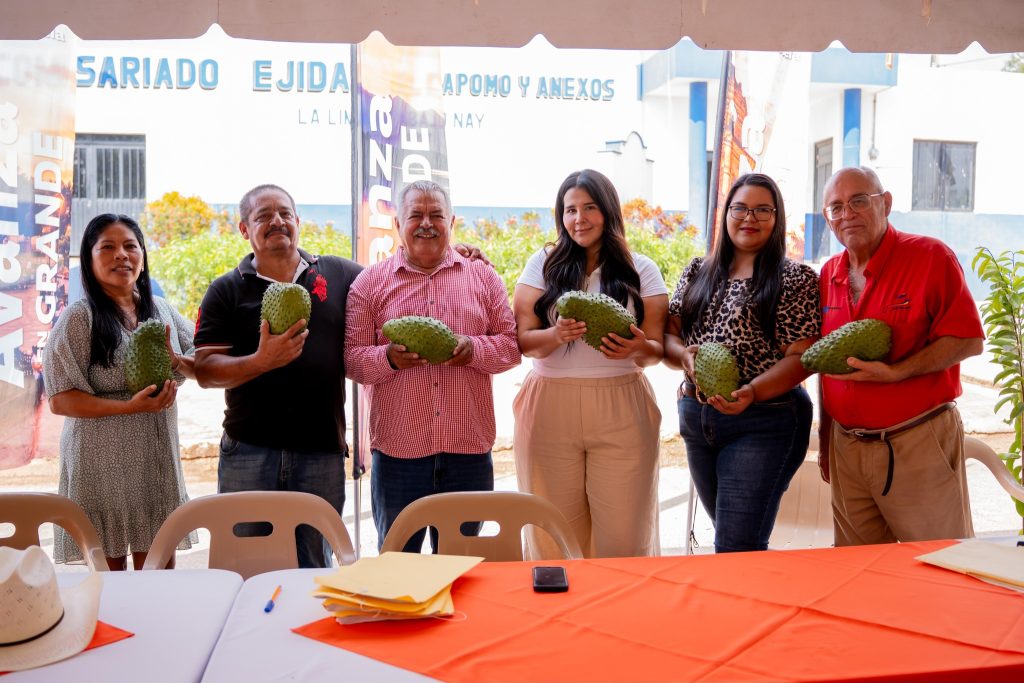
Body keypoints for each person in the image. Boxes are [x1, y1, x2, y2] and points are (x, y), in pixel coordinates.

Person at [192, 184, 363, 569]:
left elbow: (396, 281)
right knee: (245, 564)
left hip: (321, 451)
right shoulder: (225, 290)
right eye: (263, 216)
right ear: (243, 229)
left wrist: (461, 253)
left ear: (298, 222)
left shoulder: (339, 274)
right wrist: (260, 361)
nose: (277, 222)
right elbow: (205, 370)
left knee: (315, 568)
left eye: (285, 213)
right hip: (249, 451)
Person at [345, 180, 520, 552]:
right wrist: (388, 359)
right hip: (398, 454)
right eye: (416, 215)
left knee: (462, 566)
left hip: (468, 452)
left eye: (436, 215)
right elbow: (352, 361)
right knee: (398, 566)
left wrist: (472, 348)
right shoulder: (369, 284)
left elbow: (511, 347)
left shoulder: (483, 277)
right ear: (397, 225)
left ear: (451, 222)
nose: (427, 223)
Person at [816, 166, 984, 546]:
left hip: (917, 443)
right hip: (848, 448)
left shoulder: (930, 257)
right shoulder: (828, 274)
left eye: (859, 201)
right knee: (858, 574)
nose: (847, 214)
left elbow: (968, 339)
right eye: (836, 207)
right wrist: (827, 438)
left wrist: (898, 372)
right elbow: (824, 364)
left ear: (885, 203)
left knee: (941, 567)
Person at [512, 169, 668, 559]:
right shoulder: (542, 264)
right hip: (549, 403)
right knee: (552, 533)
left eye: (589, 207)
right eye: (570, 210)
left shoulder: (641, 268)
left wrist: (635, 348)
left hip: (622, 404)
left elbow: (656, 349)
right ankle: (557, 616)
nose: (579, 218)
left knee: (625, 535)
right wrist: (555, 335)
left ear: (609, 211)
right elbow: (523, 341)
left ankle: (619, 617)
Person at [664, 173, 819, 553]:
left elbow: (802, 358)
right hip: (697, 417)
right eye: (740, 208)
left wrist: (751, 391)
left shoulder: (794, 277)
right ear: (726, 214)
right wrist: (683, 355)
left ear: (777, 217)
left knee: (737, 545)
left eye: (762, 210)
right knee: (732, 538)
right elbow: (668, 337)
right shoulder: (698, 271)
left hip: (765, 419)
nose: (750, 218)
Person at [43, 213, 196, 571]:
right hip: (99, 466)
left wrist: (180, 361)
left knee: (158, 575)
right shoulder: (80, 318)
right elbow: (60, 398)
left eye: (130, 246)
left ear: (142, 255)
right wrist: (130, 407)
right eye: (107, 247)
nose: (121, 255)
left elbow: (198, 354)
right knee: (110, 587)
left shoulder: (161, 309)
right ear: (89, 257)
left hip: (154, 460)